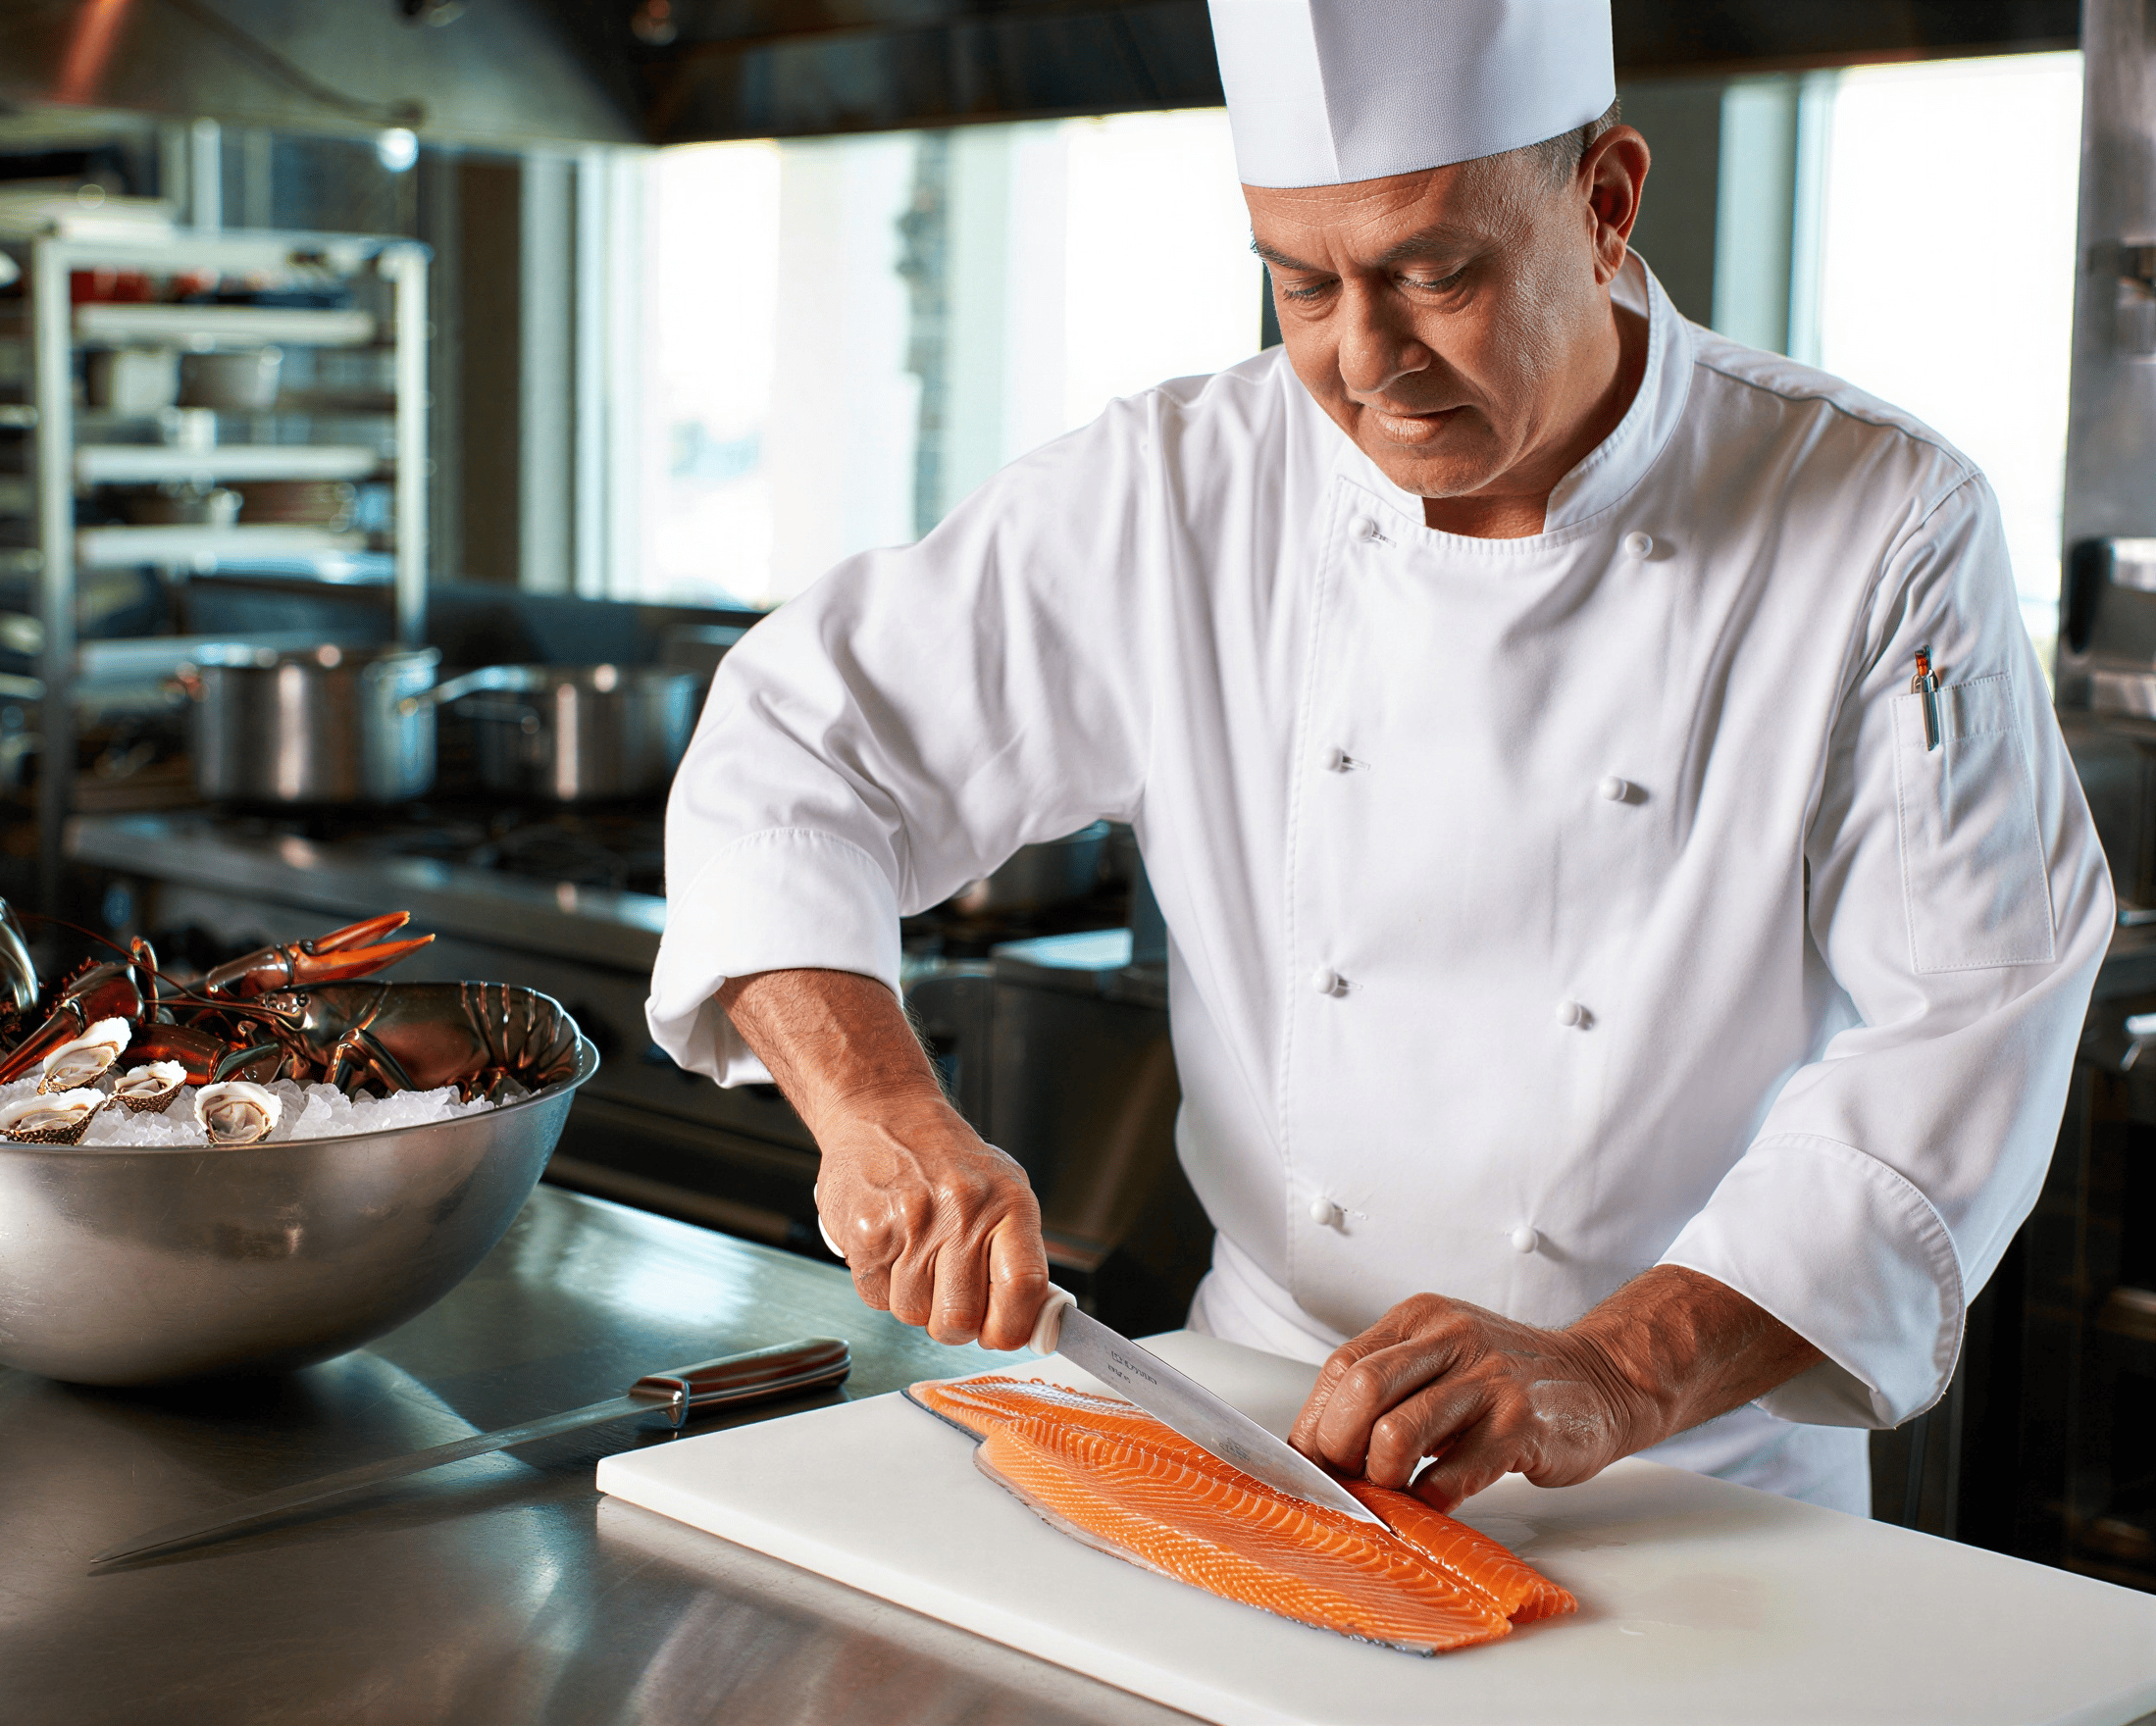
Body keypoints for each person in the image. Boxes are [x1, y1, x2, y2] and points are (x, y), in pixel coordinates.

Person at [647, 0, 2110, 1516]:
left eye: (1436, 274)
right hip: (1262, 1429)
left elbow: (1969, 1019)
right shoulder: (1177, 490)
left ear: (1604, 204)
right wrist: (879, 1108)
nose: (1364, 361)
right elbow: (799, 750)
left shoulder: (1876, 519)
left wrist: (1611, 1370)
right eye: (1302, 285)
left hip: (1700, 1472)